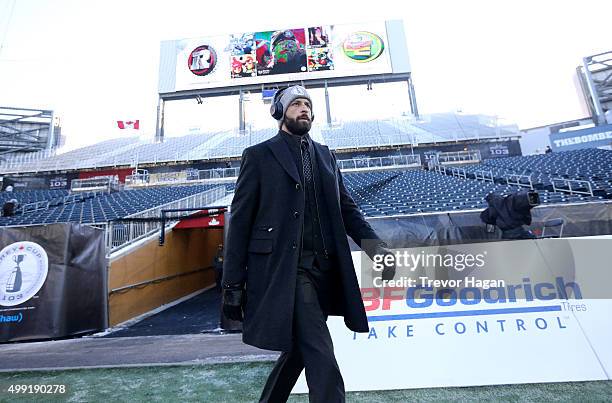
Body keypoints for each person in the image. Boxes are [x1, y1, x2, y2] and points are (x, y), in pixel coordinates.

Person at [222, 85, 395, 402]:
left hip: (326, 270)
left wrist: (376, 247)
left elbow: (347, 209)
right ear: (280, 113)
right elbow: (241, 222)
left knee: (302, 348)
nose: (303, 108)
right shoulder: (258, 156)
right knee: (319, 348)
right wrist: (232, 283)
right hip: (286, 272)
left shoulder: (326, 156)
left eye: (307, 104)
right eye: (296, 104)